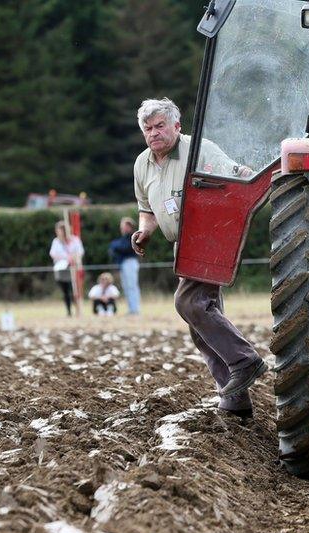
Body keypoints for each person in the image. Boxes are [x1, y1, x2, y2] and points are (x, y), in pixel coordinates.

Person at [131, 97, 265, 419]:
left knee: (188, 303)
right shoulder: (141, 165)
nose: (154, 133)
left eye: (160, 126)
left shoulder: (198, 149)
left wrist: (247, 178)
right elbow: (147, 209)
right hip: (183, 246)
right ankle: (234, 400)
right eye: (148, 128)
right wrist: (144, 232)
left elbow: (237, 175)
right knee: (200, 321)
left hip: (209, 235)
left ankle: (245, 360)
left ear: (176, 126)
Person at [49, 221, 84, 317]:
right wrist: (65, 257)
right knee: (66, 291)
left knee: (75, 290)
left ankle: (78, 310)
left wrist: (73, 258)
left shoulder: (74, 240)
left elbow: (80, 251)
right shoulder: (56, 241)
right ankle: (69, 311)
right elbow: (53, 254)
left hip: (73, 267)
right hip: (61, 268)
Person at [108, 217, 141, 315]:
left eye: (126, 227)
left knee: (132, 286)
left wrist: (116, 247)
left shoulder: (133, 237)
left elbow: (124, 248)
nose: (123, 229)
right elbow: (113, 247)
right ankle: (131, 309)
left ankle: (135, 309)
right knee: (126, 287)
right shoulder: (123, 238)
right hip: (123, 264)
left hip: (130, 262)